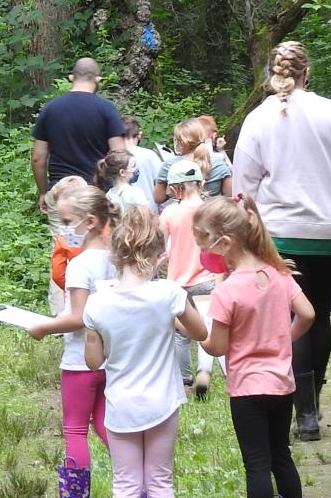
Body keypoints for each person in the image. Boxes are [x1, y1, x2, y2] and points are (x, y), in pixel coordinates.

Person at [231, 41, 331, 441]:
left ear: (273, 74)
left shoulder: (258, 120)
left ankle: (305, 412)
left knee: (288, 318)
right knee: (318, 316)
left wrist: (247, 239)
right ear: (306, 73)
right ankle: (311, 401)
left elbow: (244, 188)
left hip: (279, 237)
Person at [83, 202, 208, 498]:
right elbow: (200, 332)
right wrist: (171, 324)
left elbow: (93, 361)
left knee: (125, 484)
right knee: (160, 482)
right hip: (162, 403)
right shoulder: (168, 294)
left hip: (121, 405)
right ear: (159, 255)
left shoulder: (97, 303)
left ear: (115, 254)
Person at [195, 195, 315, 498]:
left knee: (257, 465)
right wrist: (285, 338)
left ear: (224, 243)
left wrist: (191, 330)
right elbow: (309, 313)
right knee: (281, 457)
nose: (203, 252)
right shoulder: (279, 274)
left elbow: (217, 347)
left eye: (204, 242)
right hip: (281, 385)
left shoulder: (227, 291)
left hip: (248, 391)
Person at [26, 177, 120, 497]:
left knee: (75, 428)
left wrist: (43, 327)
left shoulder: (81, 264)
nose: (64, 229)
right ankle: (135, 473)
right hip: (111, 358)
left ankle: (76, 493)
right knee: (106, 423)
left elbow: (78, 317)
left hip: (80, 360)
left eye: (67, 222)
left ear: (90, 221)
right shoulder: (119, 259)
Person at [32, 57, 126, 308]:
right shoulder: (107, 110)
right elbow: (119, 156)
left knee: (61, 249)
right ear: (98, 80)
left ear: (71, 78)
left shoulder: (50, 109)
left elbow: (38, 157)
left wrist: (44, 192)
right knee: (98, 247)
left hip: (61, 192)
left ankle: (62, 314)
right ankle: (99, 307)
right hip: (93, 193)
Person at [158, 160, 219, 398]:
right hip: (207, 278)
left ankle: (184, 380)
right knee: (208, 328)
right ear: (201, 183)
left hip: (178, 282)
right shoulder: (210, 211)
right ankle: (205, 371)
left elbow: (158, 244)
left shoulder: (170, 212)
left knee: (181, 334)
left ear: (175, 189)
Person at [152, 117, 233, 206]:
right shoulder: (219, 163)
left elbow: (158, 198)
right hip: (212, 216)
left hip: (180, 217)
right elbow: (229, 197)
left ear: (180, 142)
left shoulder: (169, 165)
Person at [121, 116, 166, 210]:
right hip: (149, 211)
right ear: (139, 134)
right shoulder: (149, 155)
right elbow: (160, 182)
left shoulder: (114, 156)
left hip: (122, 212)